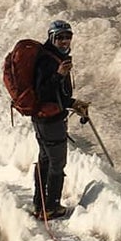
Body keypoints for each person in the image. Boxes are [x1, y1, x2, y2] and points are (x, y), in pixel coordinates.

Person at [31, 19, 88, 220]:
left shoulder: (54, 57)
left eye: (68, 37)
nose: (65, 41)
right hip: (50, 120)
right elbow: (42, 92)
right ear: (51, 38)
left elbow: (57, 95)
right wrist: (59, 74)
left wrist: (72, 102)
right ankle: (51, 207)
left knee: (45, 160)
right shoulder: (48, 61)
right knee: (57, 162)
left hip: (44, 119)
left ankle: (39, 204)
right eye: (60, 37)